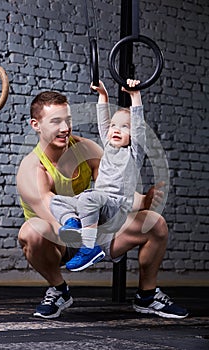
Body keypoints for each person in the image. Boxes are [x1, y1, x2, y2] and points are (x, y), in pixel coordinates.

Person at [16, 84, 189, 320]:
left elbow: (114, 188)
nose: (65, 128)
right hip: (60, 239)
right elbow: (50, 215)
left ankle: (147, 296)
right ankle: (59, 290)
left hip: (95, 227)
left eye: (67, 120)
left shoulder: (85, 149)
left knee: (155, 223)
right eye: (56, 121)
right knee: (31, 231)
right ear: (36, 125)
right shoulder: (31, 168)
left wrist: (144, 201)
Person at [50, 79, 146, 272]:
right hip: (97, 203)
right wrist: (103, 96)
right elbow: (103, 122)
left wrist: (135, 96)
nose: (116, 129)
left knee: (88, 197)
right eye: (114, 126)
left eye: (125, 127)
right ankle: (74, 224)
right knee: (57, 202)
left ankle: (89, 248)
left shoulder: (134, 153)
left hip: (115, 207)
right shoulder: (109, 146)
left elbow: (139, 129)